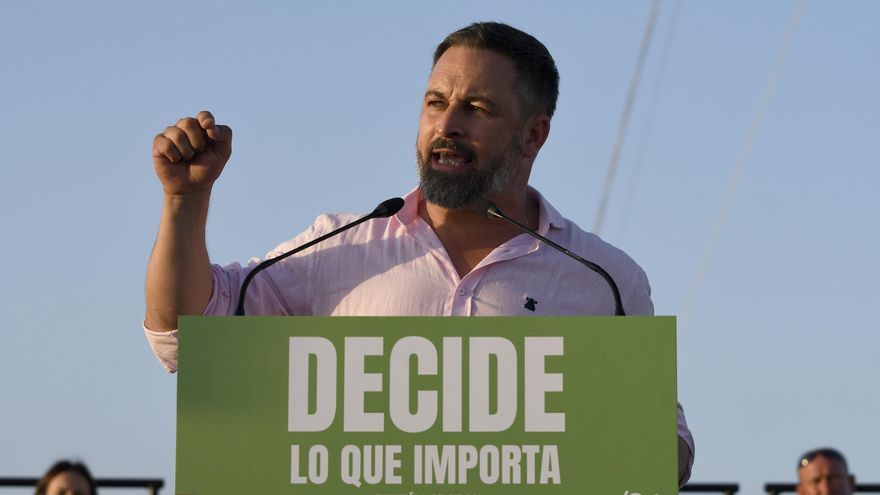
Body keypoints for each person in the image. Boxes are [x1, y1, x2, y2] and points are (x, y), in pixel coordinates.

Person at [144, 22, 694, 483]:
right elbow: (187, 337)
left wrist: (555, 413)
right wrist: (184, 202)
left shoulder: (602, 278)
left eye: (477, 108)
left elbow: (665, 452)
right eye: (436, 103)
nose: (447, 125)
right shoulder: (339, 245)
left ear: (534, 136)